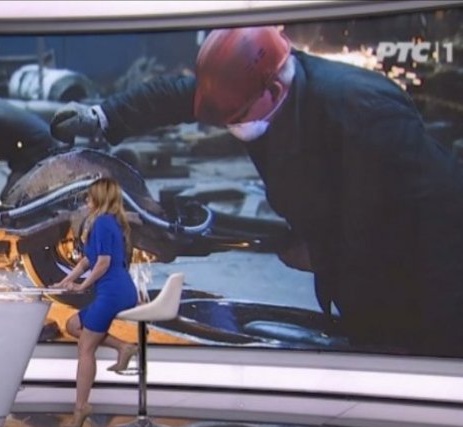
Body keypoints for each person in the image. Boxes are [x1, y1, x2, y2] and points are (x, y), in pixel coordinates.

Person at [51, 26, 463, 357]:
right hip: (359, 276)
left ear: (275, 91)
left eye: (238, 117)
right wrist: (102, 117)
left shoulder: (364, 113)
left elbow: (414, 222)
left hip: (429, 288)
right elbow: (177, 96)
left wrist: (322, 252)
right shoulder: (250, 87)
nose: (232, 126)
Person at [54, 177, 138, 427]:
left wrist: (82, 286)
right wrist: (65, 281)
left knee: (85, 348)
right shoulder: (108, 221)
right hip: (118, 289)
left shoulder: (102, 222)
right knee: (73, 325)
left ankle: (81, 408)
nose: (86, 200)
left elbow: (103, 263)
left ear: (100, 198)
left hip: (112, 292)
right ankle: (123, 347)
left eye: (90, 196)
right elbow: (86, 261)